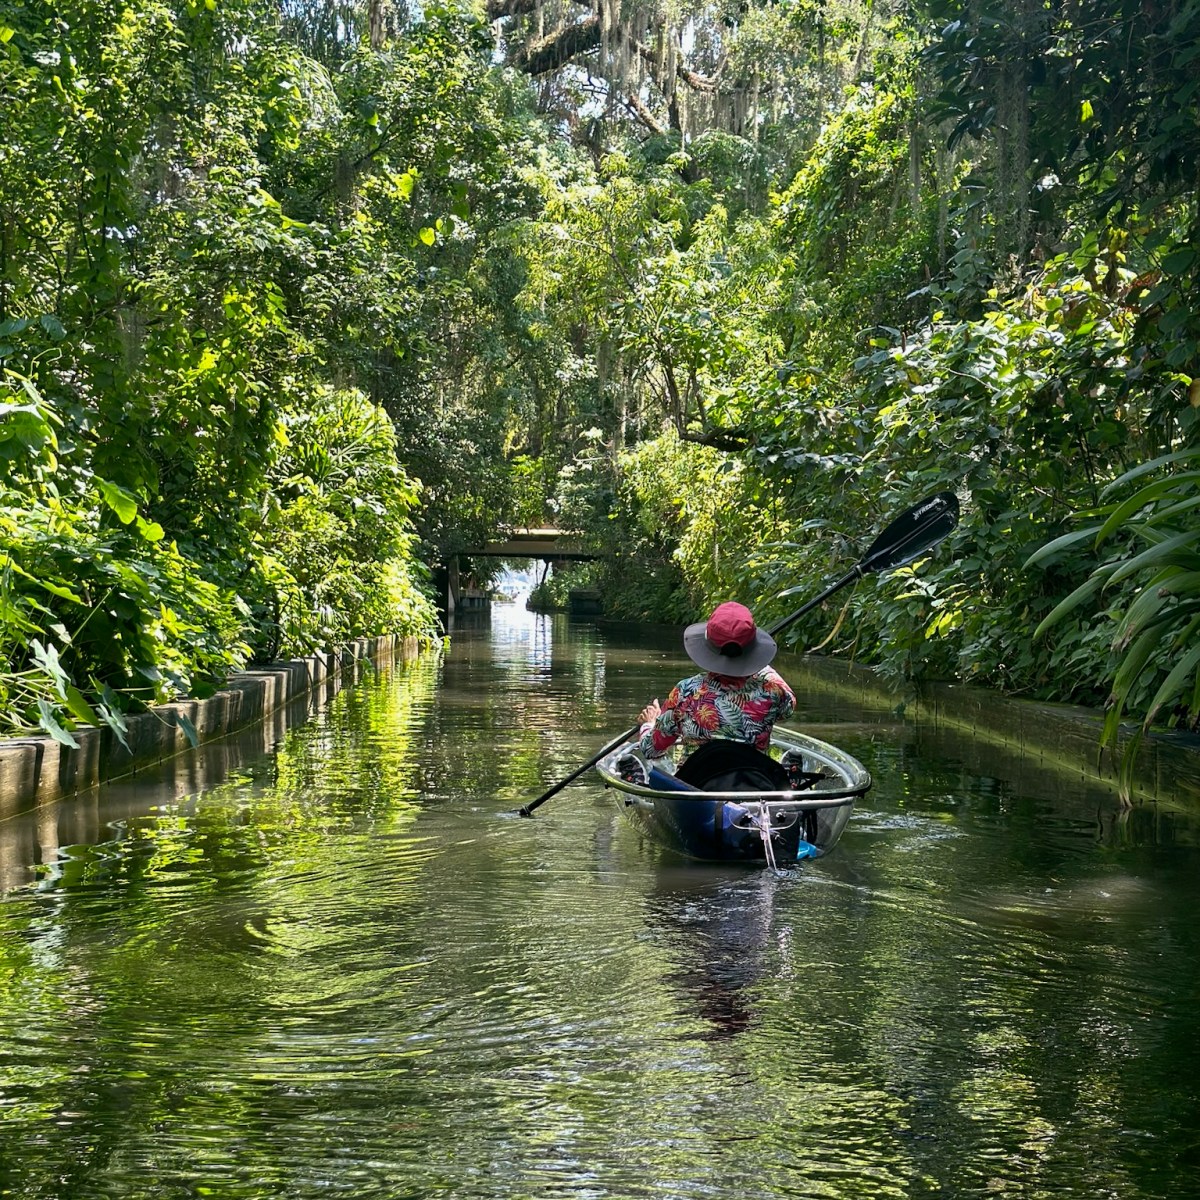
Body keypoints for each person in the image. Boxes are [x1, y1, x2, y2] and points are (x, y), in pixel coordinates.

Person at [635, 601, 796, 763]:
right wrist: (755, 661)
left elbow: (651, 750)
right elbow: (788, 708)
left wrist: (648, 724)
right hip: (753, 784)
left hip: (693, 785)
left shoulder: (686, 691)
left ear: (707, 647)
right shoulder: (774, 692)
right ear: (752, 651)